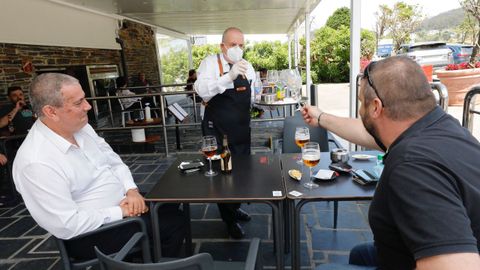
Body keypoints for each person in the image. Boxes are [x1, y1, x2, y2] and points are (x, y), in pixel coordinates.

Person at [302, 56, 480, 270]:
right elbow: (370, 134)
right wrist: (320, 117)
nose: (360, 109)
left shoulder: (412, 166)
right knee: (361, 253)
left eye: (361, 102)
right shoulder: (440, 127)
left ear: (376, 107)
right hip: (408, 251)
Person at [13, 73, 185, 258]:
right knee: (173, 223)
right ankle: (147, 259)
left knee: (171, 203)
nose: (87, 106)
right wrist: (121, 211)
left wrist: (131, 191)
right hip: (89, 233)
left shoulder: (81, 127)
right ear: (51, 112)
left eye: (84, 98)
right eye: (78, 103)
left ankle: (144, 256)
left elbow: (113, 161)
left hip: (121, 203)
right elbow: (68, 224)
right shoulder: (36, 162)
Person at [194, 27, 256, 239]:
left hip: (241, 129)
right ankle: (229, 221)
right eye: (232, 45)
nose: (237, 48)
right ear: (222, 46)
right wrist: (228, 76)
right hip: (217, 128)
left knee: (241, 172)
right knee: (223, 175)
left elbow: (251, 95)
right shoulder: (211, 63)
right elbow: (201, 90)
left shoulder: (249, 67)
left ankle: (234, 207)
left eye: (241, 45)